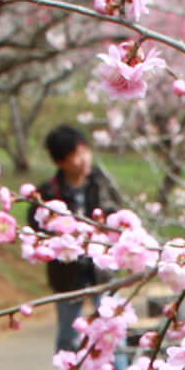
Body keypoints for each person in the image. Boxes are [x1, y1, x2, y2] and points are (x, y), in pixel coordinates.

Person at [30, 125, 125, 355]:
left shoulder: (101, 184)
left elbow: (120, 216)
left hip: (101, 271)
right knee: (68, 335)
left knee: (115, 331)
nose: (84, 159)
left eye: (85, 151)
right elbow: (37, 230)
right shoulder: (48, 194)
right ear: (61, 162)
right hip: (67, 274)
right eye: (76, 155)